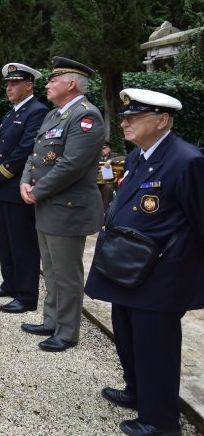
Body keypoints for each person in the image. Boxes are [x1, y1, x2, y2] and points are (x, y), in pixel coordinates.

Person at [85, 89, 203, 436]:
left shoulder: (186, 160)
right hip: (127, 268)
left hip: (162, 273)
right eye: (124, 118)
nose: (125, 123)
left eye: (134, 118)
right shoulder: (140, 156)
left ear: (162, 120)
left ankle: (160, 420)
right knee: (128, 335)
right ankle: (137, 391)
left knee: (156, 348)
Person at [20, 56, 104, 352]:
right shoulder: (54, 115)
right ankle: (51, 319)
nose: (48, 84)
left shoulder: (86, 116)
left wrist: (38, 189)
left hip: (67, 207)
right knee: (51, 268)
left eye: (53, 80)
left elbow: (72, 165)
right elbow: (35, 153)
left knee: (66, 273)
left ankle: (67, 331)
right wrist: (25, 181)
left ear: (71, 83)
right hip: (46, 202)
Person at [0, 63, 49, 315]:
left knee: (23, 243)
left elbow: (25, 149)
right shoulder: (11, 113)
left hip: (18, 186)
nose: (8, 88)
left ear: (28, 85)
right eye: (7, 84)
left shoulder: (37, 111)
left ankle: (27, 294)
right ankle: (10, 283)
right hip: (2, 187)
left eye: (14, 83)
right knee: (7, 241)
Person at [97, 142, 124, 212]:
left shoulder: (114, 155)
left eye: (104, 148)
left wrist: (111, 160)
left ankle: (103, 211)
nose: (101, 150)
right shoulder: (96, 155)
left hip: (109, 182)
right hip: (96, 182)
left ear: (109, 149)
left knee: (108, 187)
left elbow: (124, 157)